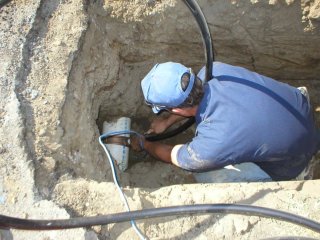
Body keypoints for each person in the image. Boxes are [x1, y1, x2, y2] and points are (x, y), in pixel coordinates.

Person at [131, 61, 320, 182]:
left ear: (177, 109)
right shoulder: (214, 69)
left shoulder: (212, 145)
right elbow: (190, 98)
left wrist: (145, 145)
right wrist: (166, 122)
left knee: (206, 177)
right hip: (298, 108)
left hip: (296, 158)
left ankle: (301, 172)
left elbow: (175, 156)